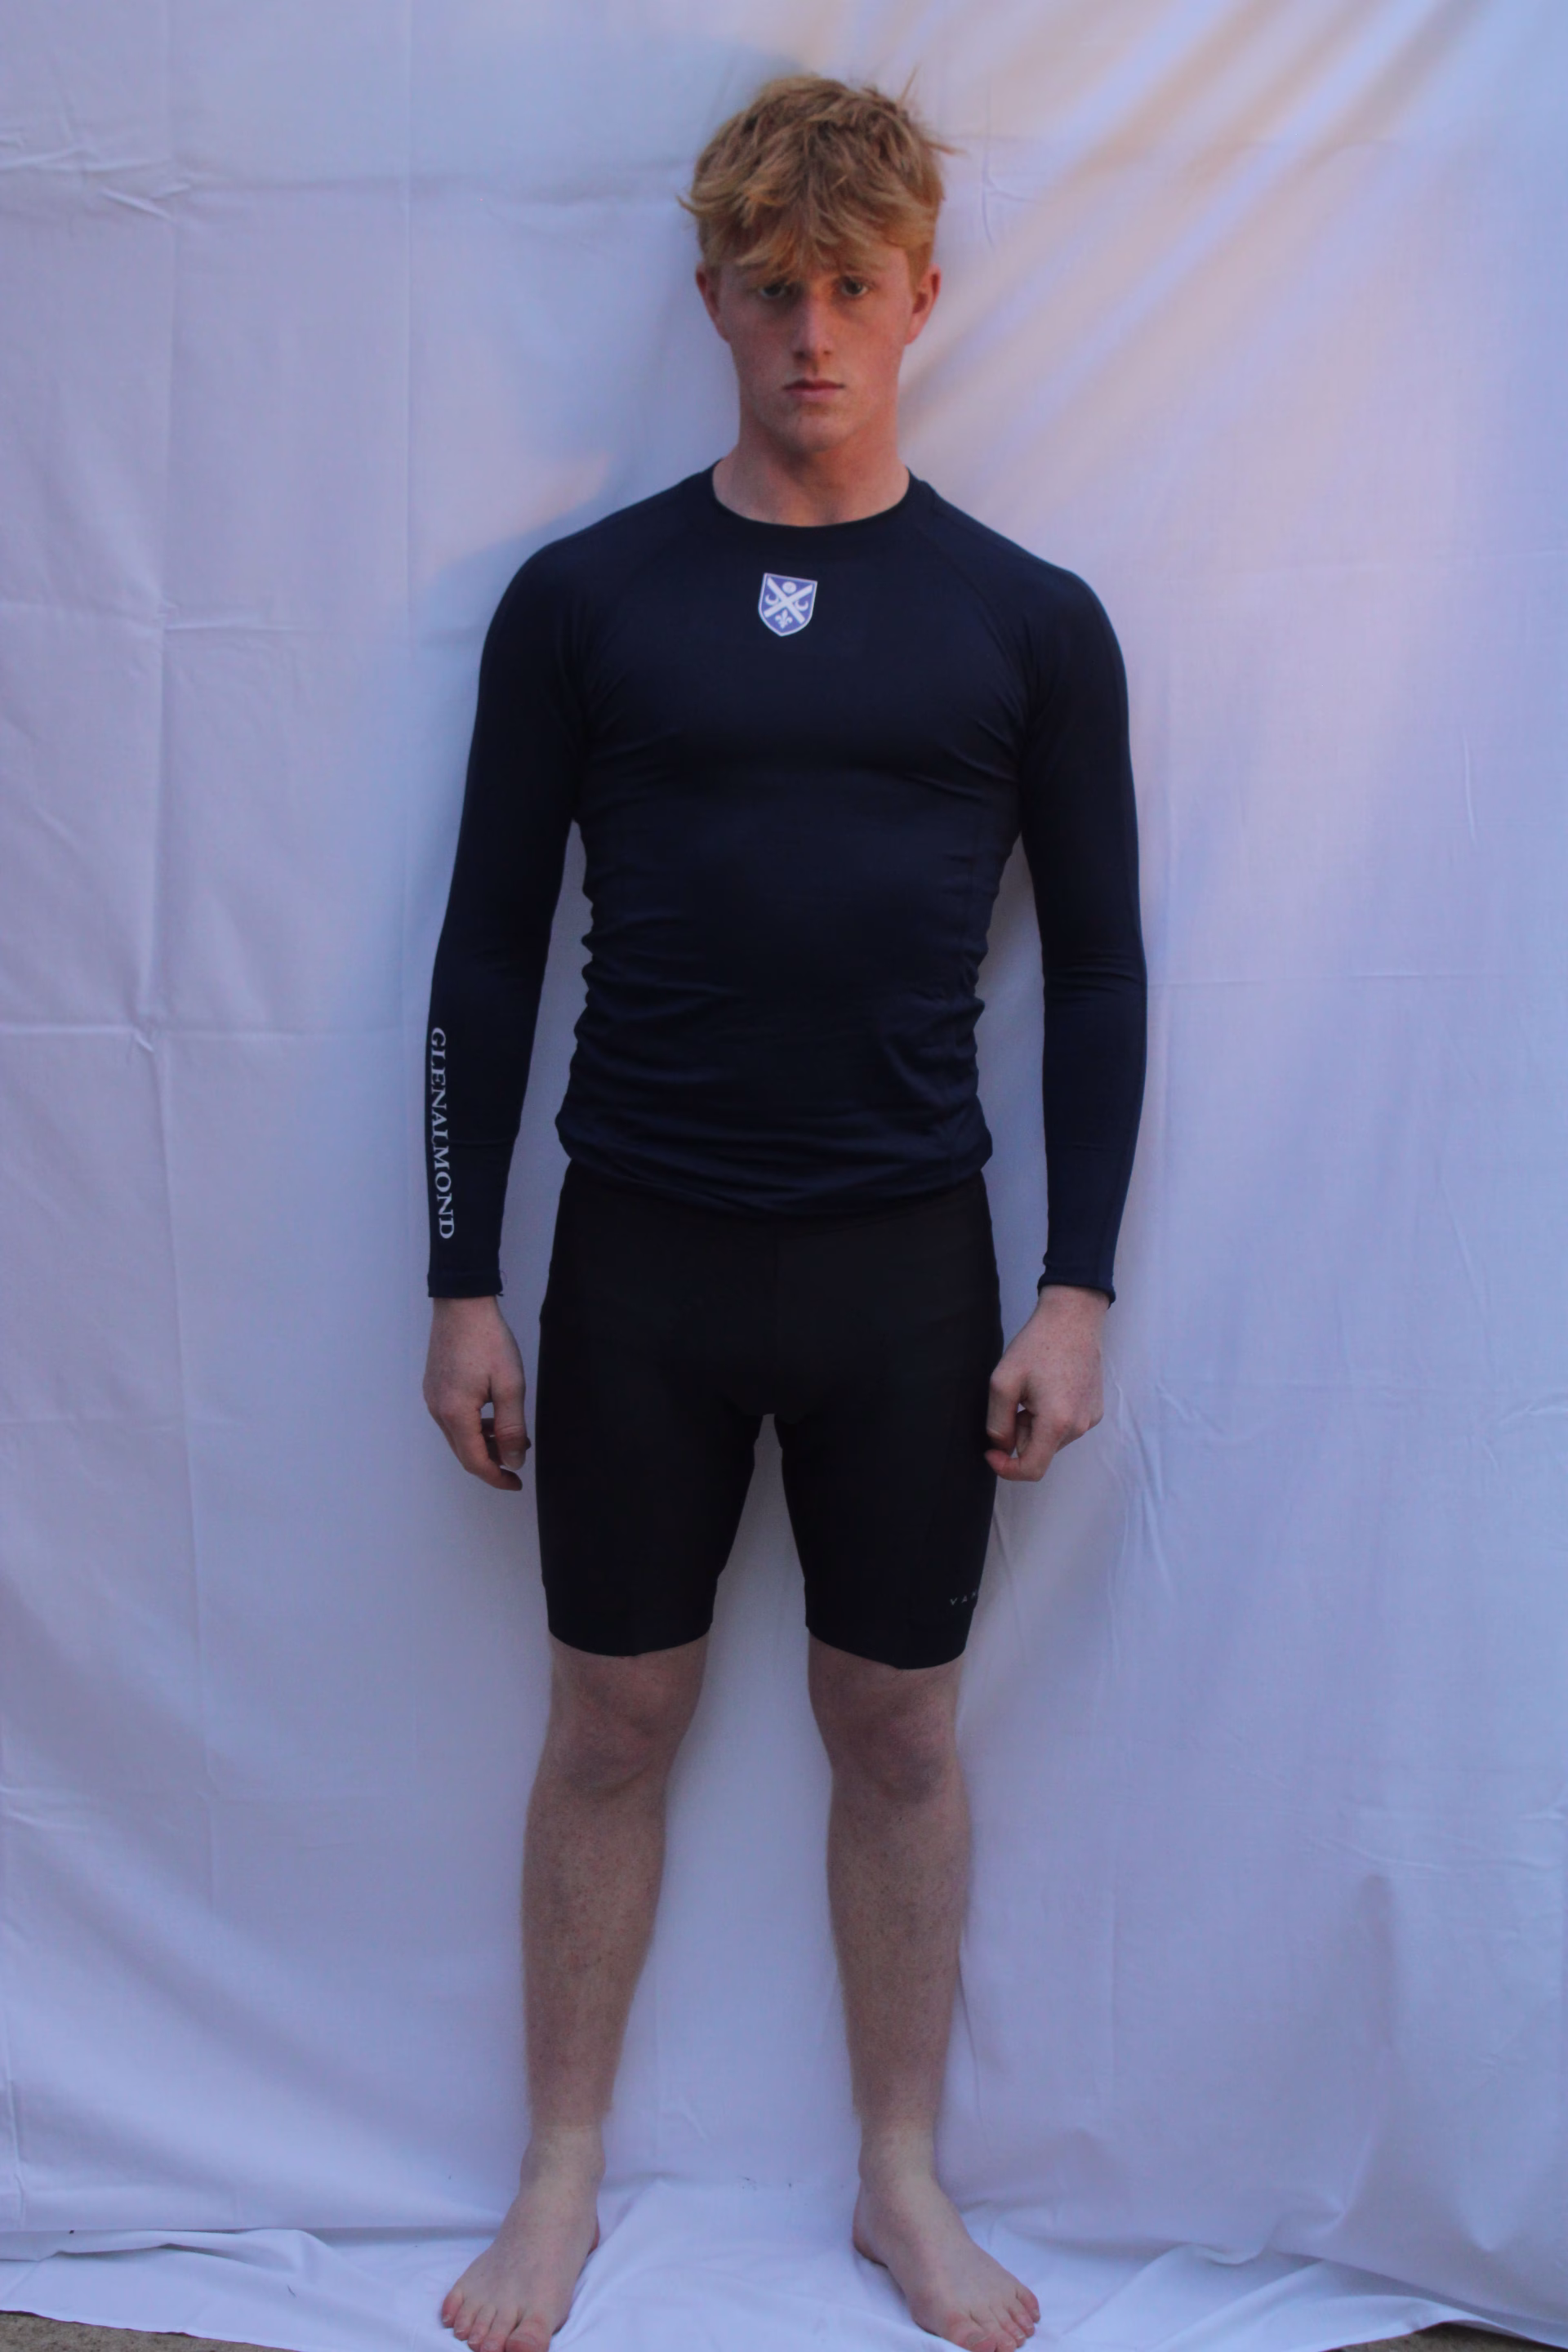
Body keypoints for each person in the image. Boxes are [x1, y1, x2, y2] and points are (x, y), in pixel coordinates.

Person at [421, 73, 1146, 2352]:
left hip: (903, 1266)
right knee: (608, 1720)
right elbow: (485, 953)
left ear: (921, 295)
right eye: (767, 289)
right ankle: (558, 2175)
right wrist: (459, 1279)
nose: (809, 332)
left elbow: (1103, 973)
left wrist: (1077, 1288)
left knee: (900, 1734)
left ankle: (903, 2180)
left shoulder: (1028, 622)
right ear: (709, 297)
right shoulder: (584, 601)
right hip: (640, 1250)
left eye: (849, 286)